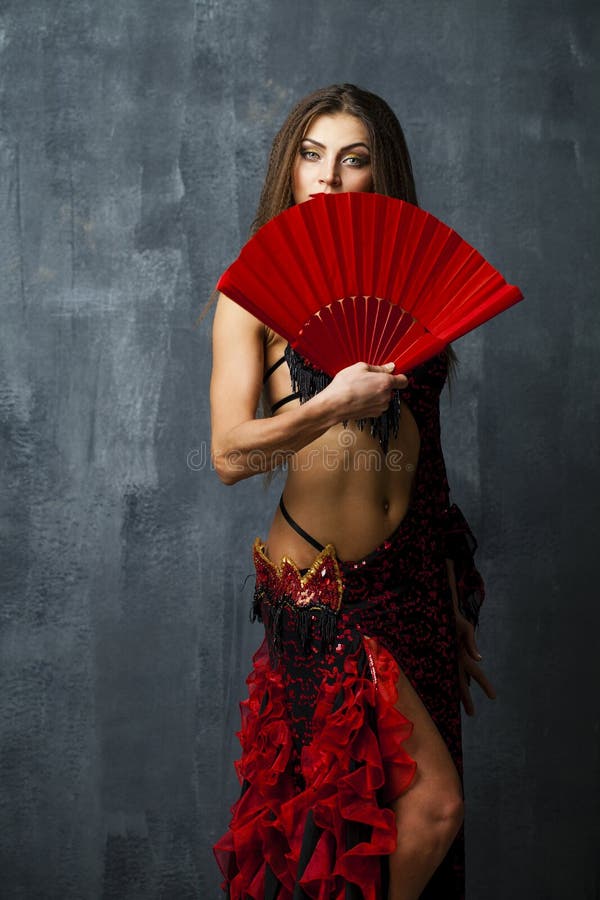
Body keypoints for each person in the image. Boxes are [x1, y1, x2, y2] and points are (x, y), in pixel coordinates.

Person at [209, 83, 496, 900]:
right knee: (430, 808)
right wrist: (329, 402)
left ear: (381, 172)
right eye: (310, 155)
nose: (328, 178)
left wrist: (452, 592)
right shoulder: (249, 293)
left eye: (352, 158)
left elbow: (424, 452)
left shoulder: (413, 281)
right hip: (319, 587)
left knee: (402, 830)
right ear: (290, 169)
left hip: (414, 586)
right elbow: (230, 453)